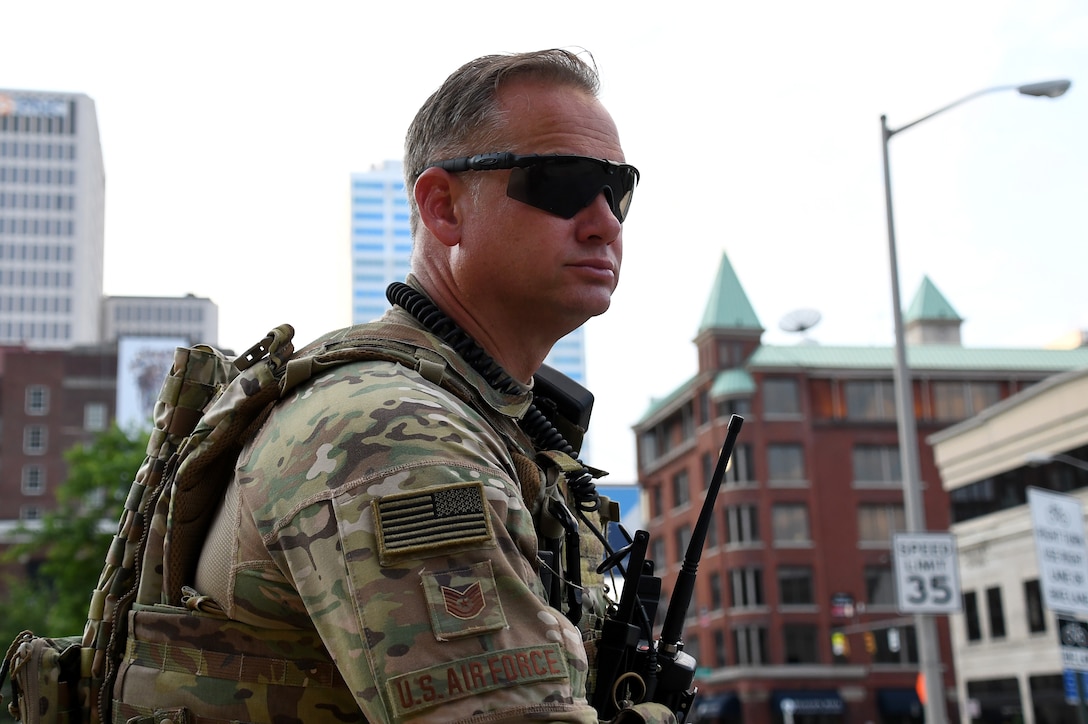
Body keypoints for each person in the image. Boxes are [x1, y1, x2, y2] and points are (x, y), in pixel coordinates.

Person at [118, 49, 673, 723]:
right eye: (561, 182)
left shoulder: (476, 418)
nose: (605, 222)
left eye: (619, 190)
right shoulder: (391, 434)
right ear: (444, 207)